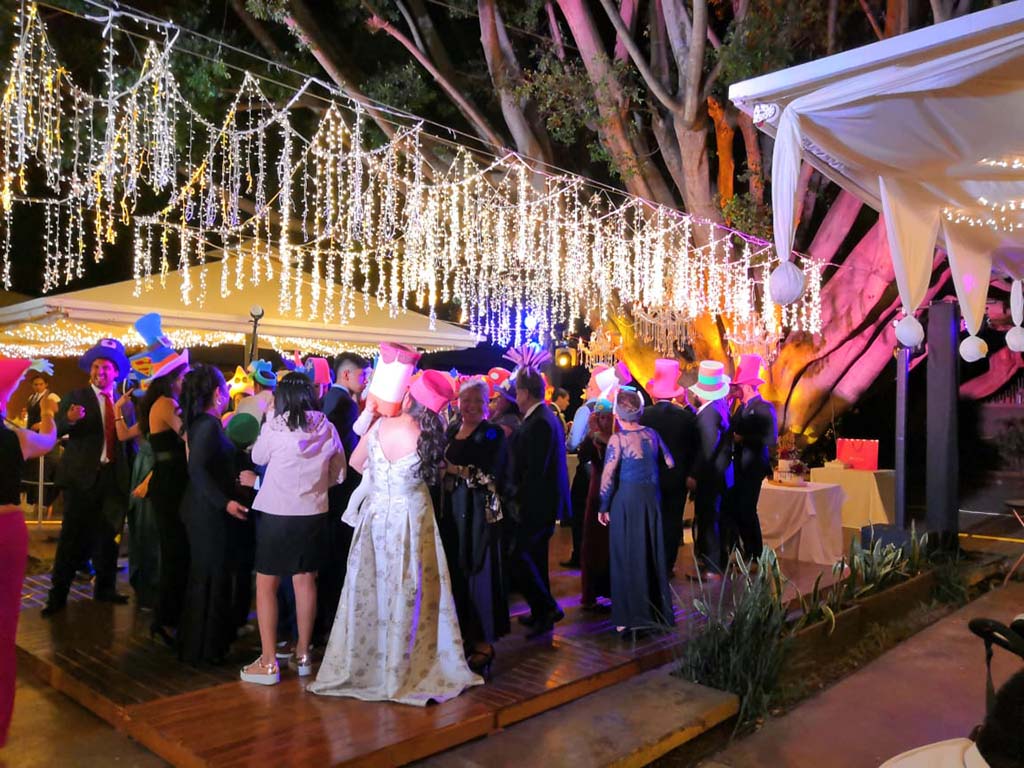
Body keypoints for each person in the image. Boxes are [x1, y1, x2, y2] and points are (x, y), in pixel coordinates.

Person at [309, 369, 483, 705]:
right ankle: (400, 666)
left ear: (407, 398)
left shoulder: (379, 427)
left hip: (377, 516)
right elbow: (436, 475)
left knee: (372, 585)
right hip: (411, 518)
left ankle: (370, 662)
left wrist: (380, 470)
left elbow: (356, 463)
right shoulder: (428, 436)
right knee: (410, 588)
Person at [241, 372, 347, 686]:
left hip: (276, 514)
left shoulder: (275, 426)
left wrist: (268, 418)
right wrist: (315, 486)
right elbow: (339, 474)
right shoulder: (327, 427)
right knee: (305, 581)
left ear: (283, 398)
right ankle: (303, 655)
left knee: (266, 584)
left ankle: (269, 661)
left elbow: (257, 456)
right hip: (312, 514)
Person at [43, 339, 134, 616]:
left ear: (115, 372)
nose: (99, 372)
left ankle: (105, 589)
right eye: (96, 367)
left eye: (105, 367)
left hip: (112, 479)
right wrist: (70, 419)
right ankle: (58, 596)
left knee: (108, 537)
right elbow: (57, 429)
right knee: (71, 538)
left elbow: (129, 441)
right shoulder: (76, 396)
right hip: (81, 479)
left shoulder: (124, 403)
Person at [115, 332, 191, 647]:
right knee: (175, 551)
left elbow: (123, 435)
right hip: (171, 482)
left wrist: (118, 409)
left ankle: (166, 616)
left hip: (164, 479)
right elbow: (188, 436)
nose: (186, 381)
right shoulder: (168, 404)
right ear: (173, 379)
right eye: (183, 377)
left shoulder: (155, 404)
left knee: (172, 549)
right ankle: (166, 619)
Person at [177, 365, 252, 665]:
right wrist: (225, 503)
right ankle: (205, 648)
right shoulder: (208, 425)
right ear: (218, 393)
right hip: (207, 512)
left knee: (206, 577)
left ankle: (201, 644)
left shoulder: (201, 423)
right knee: (211, 578)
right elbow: (196, 469)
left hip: (202, 509)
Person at [0, 358, 57, 747]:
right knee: (3, 633)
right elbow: (48, 441)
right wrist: (49, 413)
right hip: (7, 532)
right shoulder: (14, 437)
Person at [442, 378, 510, 675]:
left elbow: (491, 475)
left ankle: (483, 640)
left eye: (475, 401)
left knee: (478, 570)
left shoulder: (492, 433)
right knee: (456, 571)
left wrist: (453, 470)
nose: (469, 406)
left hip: (479, 512)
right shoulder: (451, 429)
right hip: (452, 510)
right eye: (464, 400)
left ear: (487, 405)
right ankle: (462, 636)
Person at [598, 388, 675, 634]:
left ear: (618, 412)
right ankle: (655, 614)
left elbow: (608, 475)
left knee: (625, 555)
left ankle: (628, 617)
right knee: (650, 552)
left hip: (627, 501)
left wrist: (603, 505)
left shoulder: (618, 439)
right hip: (650, 499)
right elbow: (670, 462)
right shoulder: (652, 433)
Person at [509, 365, 571, 638]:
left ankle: (547, 607)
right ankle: (541, 612)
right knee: (534, 558)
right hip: (540, 501)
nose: (516, 397)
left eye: (517, 392)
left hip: (537, 503)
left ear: (524, 392)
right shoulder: (543, 417)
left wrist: (519, 499)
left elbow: (535, 469)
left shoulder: (540, 422)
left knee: (520, 556)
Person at [315, 352, 370, 644]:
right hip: (341, 491)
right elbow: (348, 454)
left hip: (328, 491)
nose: (366, 380)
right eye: (363, 375)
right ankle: (333, 622)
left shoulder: (329, 399)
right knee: (338, 559)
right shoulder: (345, 405)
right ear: (347, 374)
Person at [640, 358, 698, 576]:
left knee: (650, 520)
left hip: (648, 477)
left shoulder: (644, 415)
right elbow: (694, 449)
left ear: (654, 394)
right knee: (672, 522)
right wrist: (691, 474)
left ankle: (650, 562)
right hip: (677, 478)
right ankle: (667, 564)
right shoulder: (685, 417)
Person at [724, 354, 777, 561]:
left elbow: (770, 438)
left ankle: (755, 553)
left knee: (746, 509)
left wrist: (743, 438)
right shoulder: (740, 408)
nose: (734, 390)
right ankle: (743, 551)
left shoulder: (764, 407)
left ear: (746, 387)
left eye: (737, 387)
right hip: (738, 465)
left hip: (753, 466)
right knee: (735, 509)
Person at [689, 361, 734, 578]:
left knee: (708, 520)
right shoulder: (719, 409)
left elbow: (707, 449)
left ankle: (712, 567)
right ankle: (718, 563)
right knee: (716, 520)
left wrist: (694, 474)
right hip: (721, 476)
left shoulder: (708, 414)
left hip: (711, 477)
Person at [579, 400, 613, 611]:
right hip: (597, 491)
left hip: (613, 493)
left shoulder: (618, 438)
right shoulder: (593, 439)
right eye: (602, 417)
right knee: (593, 543)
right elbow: (582, 455)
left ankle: (612, 589)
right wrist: (592, 435)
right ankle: (591, 593)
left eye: (609, 417)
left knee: (611, 544)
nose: (606, 421)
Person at [22, 371, 61, 513]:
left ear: (46, 385)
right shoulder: (31, 398)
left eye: (40, 384)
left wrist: (41, 423)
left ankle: (44, 503)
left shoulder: (52, 397)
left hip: (46, 438)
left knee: (45, 470)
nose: (38, 386)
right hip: (32, 438)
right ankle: (32, 502)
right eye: (35, 384)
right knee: (33, 470)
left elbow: (58, 415)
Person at [486, 367, 521, 438]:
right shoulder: (500, 417)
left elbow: (487, 438)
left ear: (509, 402)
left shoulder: (508, 423)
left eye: (500, 396)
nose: (497, 399)